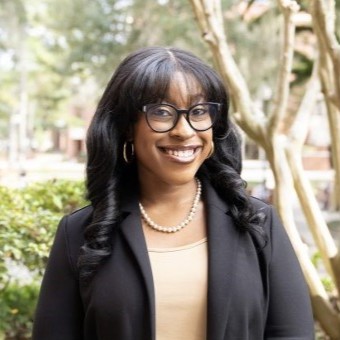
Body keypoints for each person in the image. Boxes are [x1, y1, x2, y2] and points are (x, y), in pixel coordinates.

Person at [32, 46, 314, 339]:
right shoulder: (79, 233)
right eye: (162, 112)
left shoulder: (256, 222)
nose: (184, 130)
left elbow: (292, 333)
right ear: (128, 126)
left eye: (200, 111)